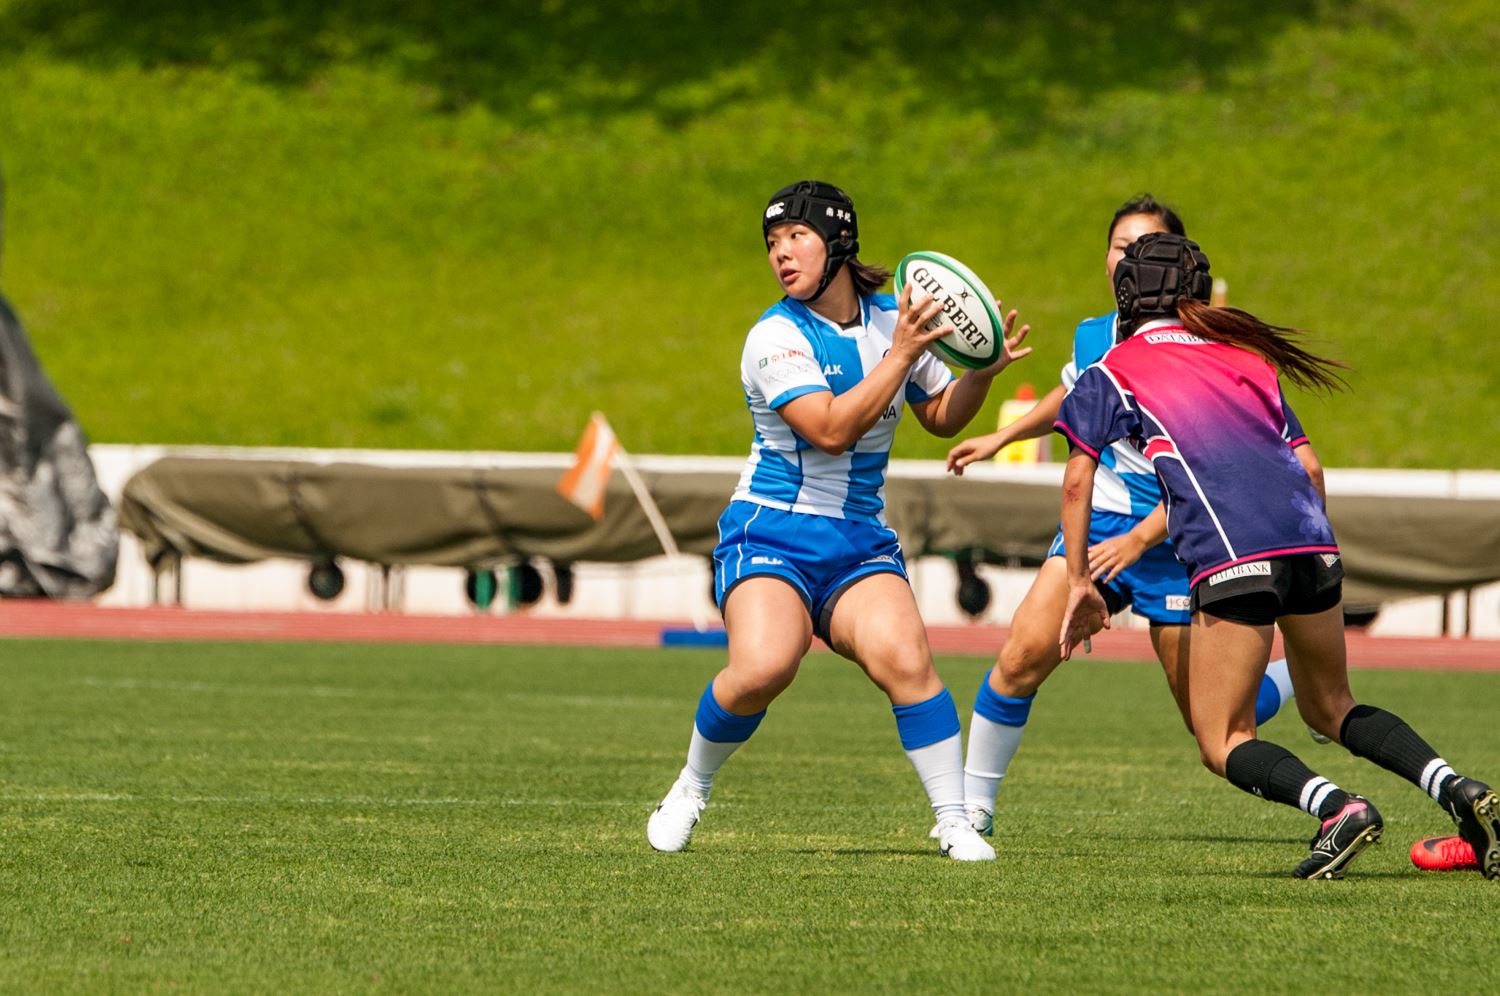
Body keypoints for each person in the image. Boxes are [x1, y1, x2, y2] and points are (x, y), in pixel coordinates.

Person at [1053, 231, 1498, 878]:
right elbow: (1310, 469)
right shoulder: (1247, 360)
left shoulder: (1113, 368)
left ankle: (1338, 808)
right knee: (1333, 705)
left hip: (1232, 558)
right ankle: (1457, 788)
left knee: (1221, 738)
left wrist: (1077, 581)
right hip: (1312, 543)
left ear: (1126, 296)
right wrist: (1309, 550)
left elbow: (1077, 479)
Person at [646, 180, 1031, 860]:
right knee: (765, 666)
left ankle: (954, 821)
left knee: (907, 661)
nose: (781, 253)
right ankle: (691, 786)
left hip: (856, 539)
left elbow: (942, 418)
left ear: (839, 242)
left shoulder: (894, 319)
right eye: (772, 242)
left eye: (797, 236)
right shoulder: (773, 336)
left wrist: (983, 373)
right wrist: (902, 354)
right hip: (771, 530)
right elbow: (828, 431)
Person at [943, 195, 1299, 838]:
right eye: (1118, 246)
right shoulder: (1094, 334)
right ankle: (971, 812)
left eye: (1143, 247)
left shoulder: (1209, 350)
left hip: (1181, 534)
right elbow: (1074, 392)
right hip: (1105, 522)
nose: (1126, 258)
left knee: (1211, 721)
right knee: (1021, 658)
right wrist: (1002, 436)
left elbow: (1214, 476)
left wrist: (1141, 538)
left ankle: (1298, 675)